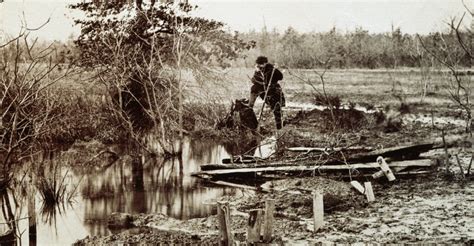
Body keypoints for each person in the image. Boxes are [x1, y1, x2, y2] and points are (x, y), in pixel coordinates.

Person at [248, 56, 285, 129]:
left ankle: (279, 127)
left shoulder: (271, 69)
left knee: (276, 109)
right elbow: (255, 80)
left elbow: (280, 77)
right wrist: (257, 74)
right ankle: (249, 108)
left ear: (265, 63)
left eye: (261, 64)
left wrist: (274, 71)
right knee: (254, 89)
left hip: (273, 91)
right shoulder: (258, 70)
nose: (259, 66)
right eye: (258, 64)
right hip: (263, 90)